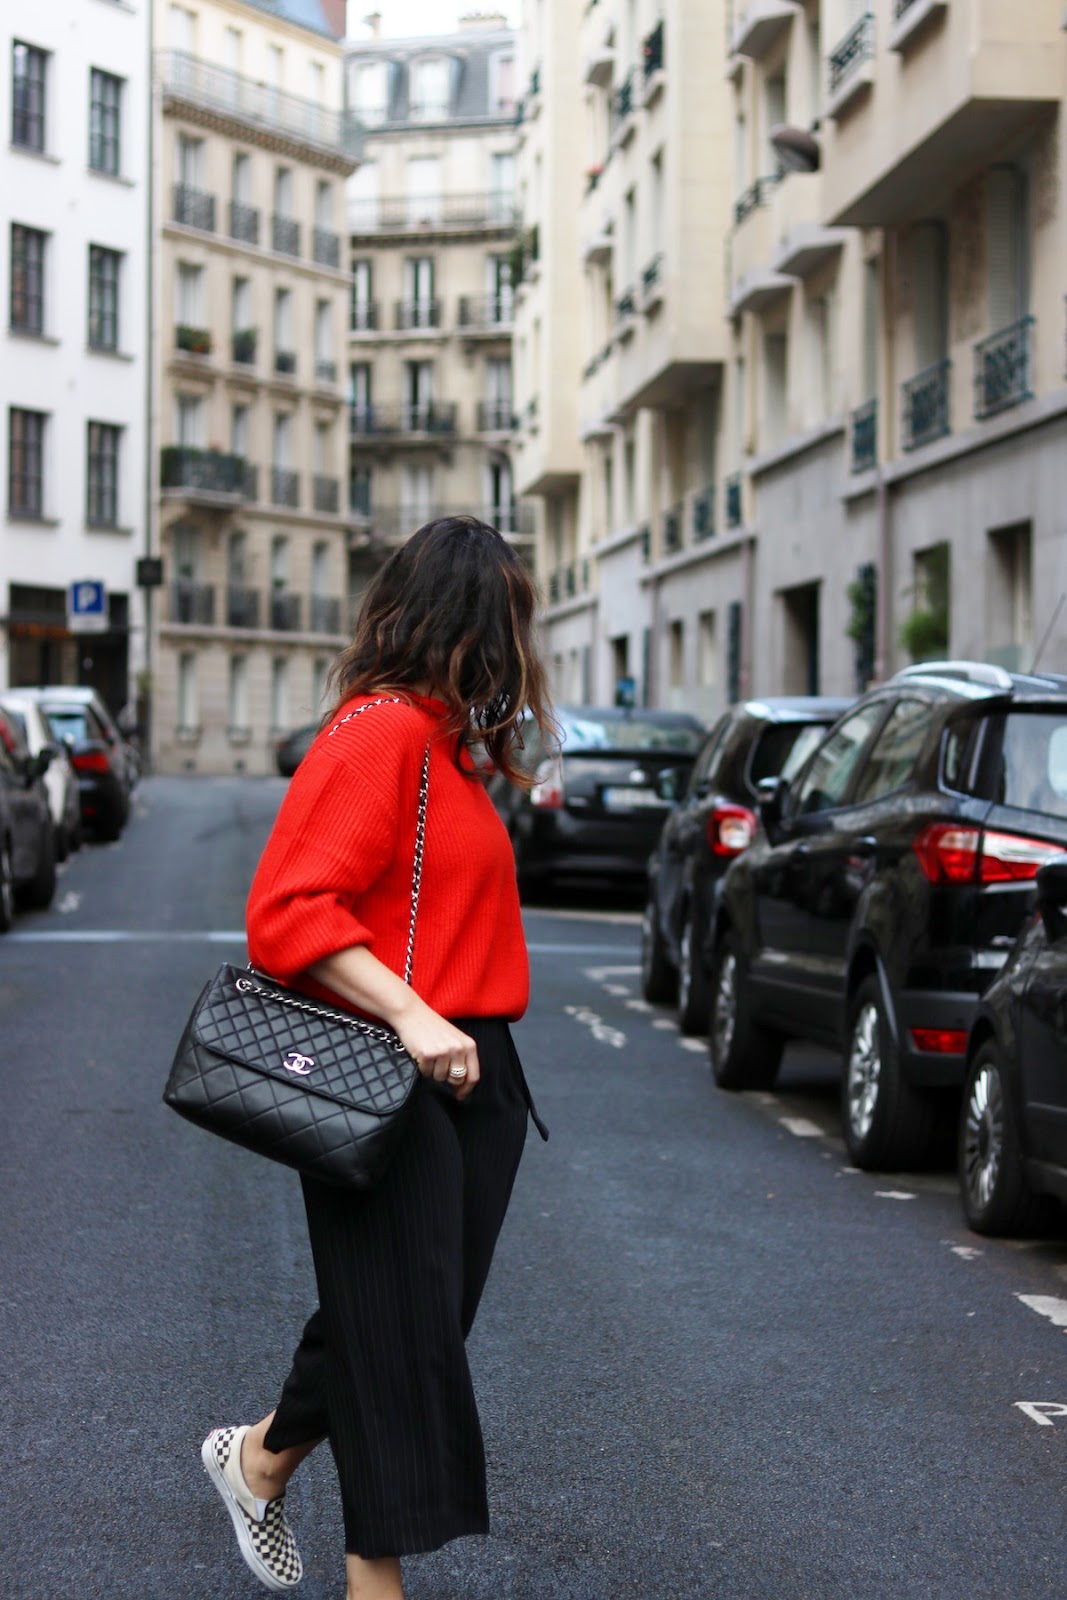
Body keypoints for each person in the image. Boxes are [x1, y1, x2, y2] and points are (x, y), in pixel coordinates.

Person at [200, 516, 552, 1600]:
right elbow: (285, 909)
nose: (518, 642)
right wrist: (411, 1018)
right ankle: (374, 1583)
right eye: (507, 618)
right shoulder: (379, 730)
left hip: (475, 1070)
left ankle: (257, 1456)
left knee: (417, 1318)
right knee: (400, 1328)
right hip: (393, 1066)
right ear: (462, 619)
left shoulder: (452, 749)